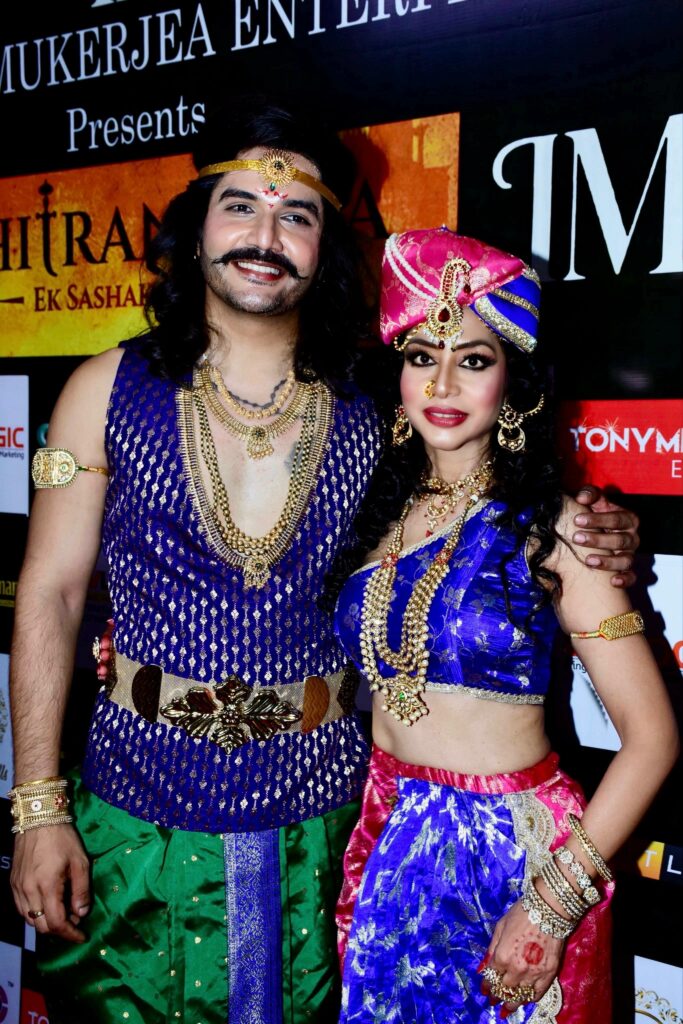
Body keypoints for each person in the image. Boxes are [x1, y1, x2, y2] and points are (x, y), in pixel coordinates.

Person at [8, 102, 640, 1024]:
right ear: (195, 226)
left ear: (326, 246)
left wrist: (594, 524)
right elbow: (51, 592)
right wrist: (37, 806)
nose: (264, 238)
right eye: (240, 206)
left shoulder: (379, 403)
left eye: (295, 215)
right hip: (132, 810)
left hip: (329, 821)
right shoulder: (102, 390)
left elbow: (486, 496)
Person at [333, 229, 678, 1023]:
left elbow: (652, 738)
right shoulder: (373, 515)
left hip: (508, 857)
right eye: (421, 355)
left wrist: (551, 905)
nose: (441, 382)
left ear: (512, 383)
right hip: (386, 836)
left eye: (473, 359)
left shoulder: (556, 530)